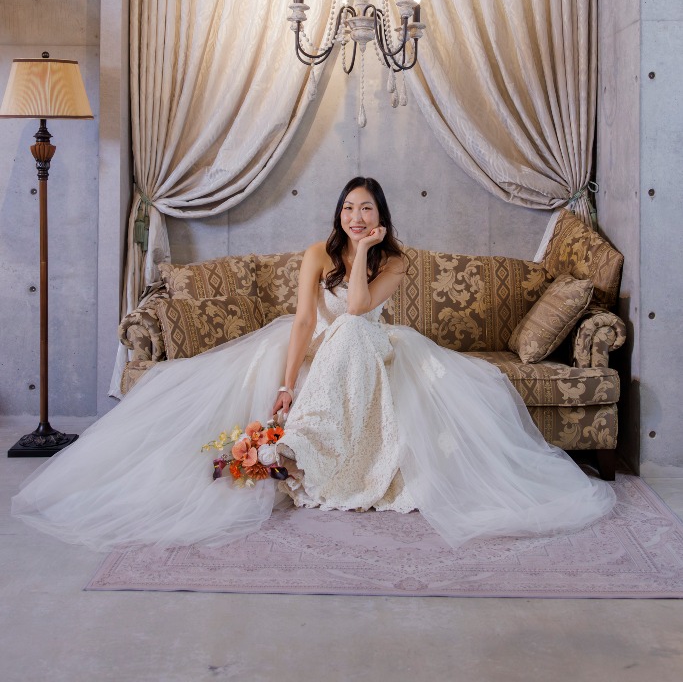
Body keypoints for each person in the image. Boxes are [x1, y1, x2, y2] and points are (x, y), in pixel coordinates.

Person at [12, 177, 615, 552]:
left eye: (366, 209)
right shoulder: (313, 253)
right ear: (338, 212)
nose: (356, 217)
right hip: (320, 351)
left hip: (372, 346)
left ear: (380, 216)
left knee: (351, 329)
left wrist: (364, 253)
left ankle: (304, 447)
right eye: (349, 208)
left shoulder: (395, 260)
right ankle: (299, 438)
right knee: (327, 338)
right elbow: (304, 321)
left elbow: (356, 309)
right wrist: (285, 383)